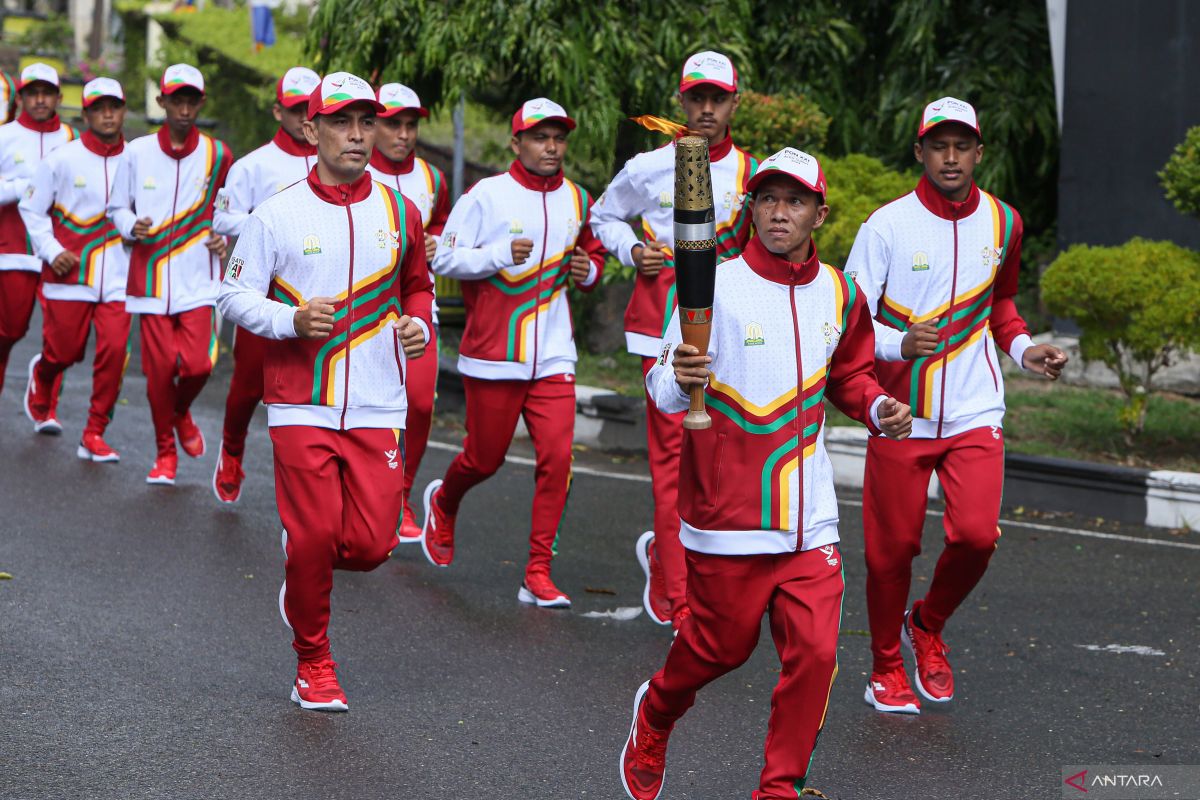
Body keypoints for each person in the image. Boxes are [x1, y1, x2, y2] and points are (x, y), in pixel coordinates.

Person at [620, 148, 912, 800]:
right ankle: (658, 711)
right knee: (718, 651)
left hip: (809, 514)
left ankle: (778, 788)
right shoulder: (712, 284)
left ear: (820, 213)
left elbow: (850, 375)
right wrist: (678, 378)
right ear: (751, 208)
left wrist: (875, 406)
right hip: (730, 516)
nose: (780, 213)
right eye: (768, 200)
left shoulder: (840, 291)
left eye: (795, 201)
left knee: (816, 654)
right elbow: (665, 384)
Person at [217, 71, 433, 711]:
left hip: (376, 400)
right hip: (300, 400)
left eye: (368, 122)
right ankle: (313, 660)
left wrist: (419, 322)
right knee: (313, 537)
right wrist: (288, 320)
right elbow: (233, 294)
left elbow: (416, 283)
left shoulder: (401, 211)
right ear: (311, 130)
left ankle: (302, 575)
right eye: (342, 122)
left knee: (370, 547)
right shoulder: (276, 212)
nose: (359, 135)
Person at [845, 97, 1068, 715]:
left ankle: (929, 623)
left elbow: (1002, 309)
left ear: (978, 152)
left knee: (975, 537)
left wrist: (1025, 353)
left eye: (961, 145)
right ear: (920, 152)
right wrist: (897, 342)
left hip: (974, 410)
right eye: (938, 145)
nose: (950, 157)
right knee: (890, 552)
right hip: (899, 414)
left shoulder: (1005, 223)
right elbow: (844, 320)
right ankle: (885, 664)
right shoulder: (885, 226)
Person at [591, 50, 757, 631]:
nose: (707, 109)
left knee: (720, 455)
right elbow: (603, 217)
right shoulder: (647, 167)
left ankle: (681, 561)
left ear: (735, 102)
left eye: (718, 98)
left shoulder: (755, 176)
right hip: (658, 327)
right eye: (697, 98)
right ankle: (681, 596)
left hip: (728, 332)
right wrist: (631, 250)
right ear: (681, 102)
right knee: (669, 461)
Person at [421, 97, 605, 609]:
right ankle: (444, 499)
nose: (551, 147)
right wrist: (499, 256)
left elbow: (593, 257)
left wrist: (587, 272)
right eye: (540, 137)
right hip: (493, 352)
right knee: (484, 459)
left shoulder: (577, 198)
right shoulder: (486, 196)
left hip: (553, 354)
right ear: (516, 141)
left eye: (559, 137)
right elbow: (447, 259)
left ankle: (538, 571)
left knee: (558, 459)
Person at [107, 64, 232, 486]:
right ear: (160, 102)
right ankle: (164, 453)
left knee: (198, 365)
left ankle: (179, 413)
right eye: (175, 100)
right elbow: (116, 207)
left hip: (199, 278)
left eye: (190, 100)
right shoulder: (136, 152)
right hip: (149, 277)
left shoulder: (219, 155)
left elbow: (230, 213)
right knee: (160, 371)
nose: (183, 108)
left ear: (201, 103)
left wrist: (224, 238)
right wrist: (129, 226)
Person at [211, 65, 321, 504]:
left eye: (309, 109)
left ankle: (307, 486)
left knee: (310, 388)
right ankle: (232, 449)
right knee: (250, 384)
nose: (302, 118)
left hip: (317, 289)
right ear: (278, 110)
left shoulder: (335, 162)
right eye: (295, 109)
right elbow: (221, 218)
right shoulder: (253, 165)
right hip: (264, 290)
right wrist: (269, 222)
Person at [19, 77, 130, 459]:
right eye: (99, 108)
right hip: (69, 276)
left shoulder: (136, 160)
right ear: (85, 114)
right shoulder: (60, 160)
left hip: (119, 279)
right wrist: (51, 250)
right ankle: (45, 374)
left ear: (124, 111)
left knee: (115, 354)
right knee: (64, 353)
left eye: (114, 107)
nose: (107, 114)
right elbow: (31, 210)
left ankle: (94, 432)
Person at [365, 81, 450, 538]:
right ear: (374, 125)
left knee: (418, 404)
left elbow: (441, 221)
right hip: (363, 312)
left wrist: (437, 238)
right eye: (393, 123)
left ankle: (402, 495)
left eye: (411, 124)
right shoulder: (356, 171)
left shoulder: (433, 178)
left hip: (417, 307)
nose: (403, 134)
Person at [0, 63, 76, 401]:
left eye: (47, 93)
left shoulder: (72, 138)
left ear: (59, 97)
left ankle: (46, 402)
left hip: (62, 250)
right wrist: (24, 186)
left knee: (63, 339)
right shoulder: (5, 136)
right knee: (10, 331)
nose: (41, 100)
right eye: (33, 93)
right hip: (14, 249)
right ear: (22, 96)